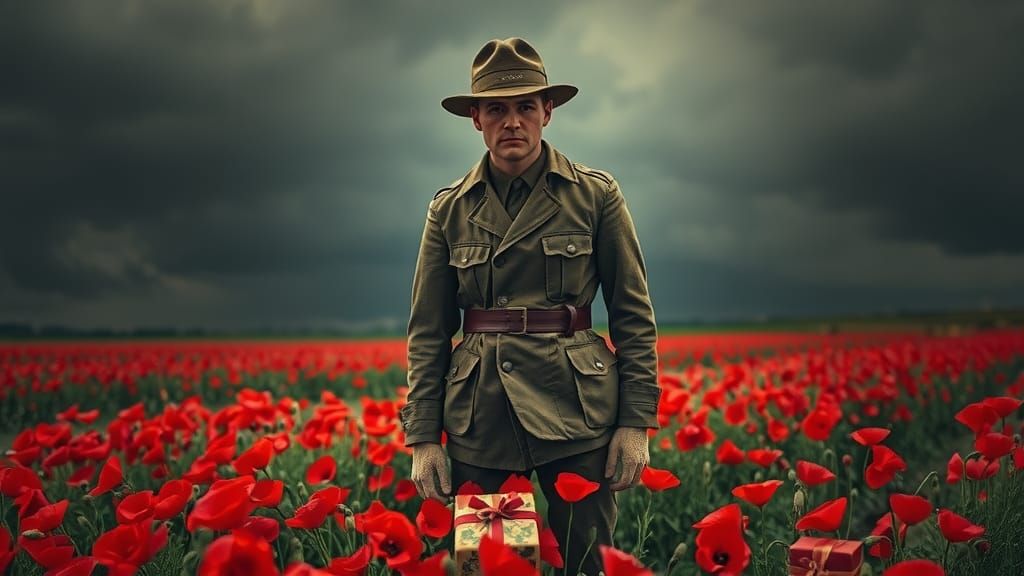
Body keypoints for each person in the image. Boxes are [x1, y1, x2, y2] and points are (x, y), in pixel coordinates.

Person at [399, 37, 660, 575]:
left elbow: (633, 316)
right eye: (496, 108)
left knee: (587, 564)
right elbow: (428, 331)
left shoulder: (595, 195)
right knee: (488, 567)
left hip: (578, 410)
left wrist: (635, 423)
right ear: (476, 118)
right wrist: (424, 436)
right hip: (483, 417)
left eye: (524, 107)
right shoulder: (449, 210)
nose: (511, 121)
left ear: (548, 111)